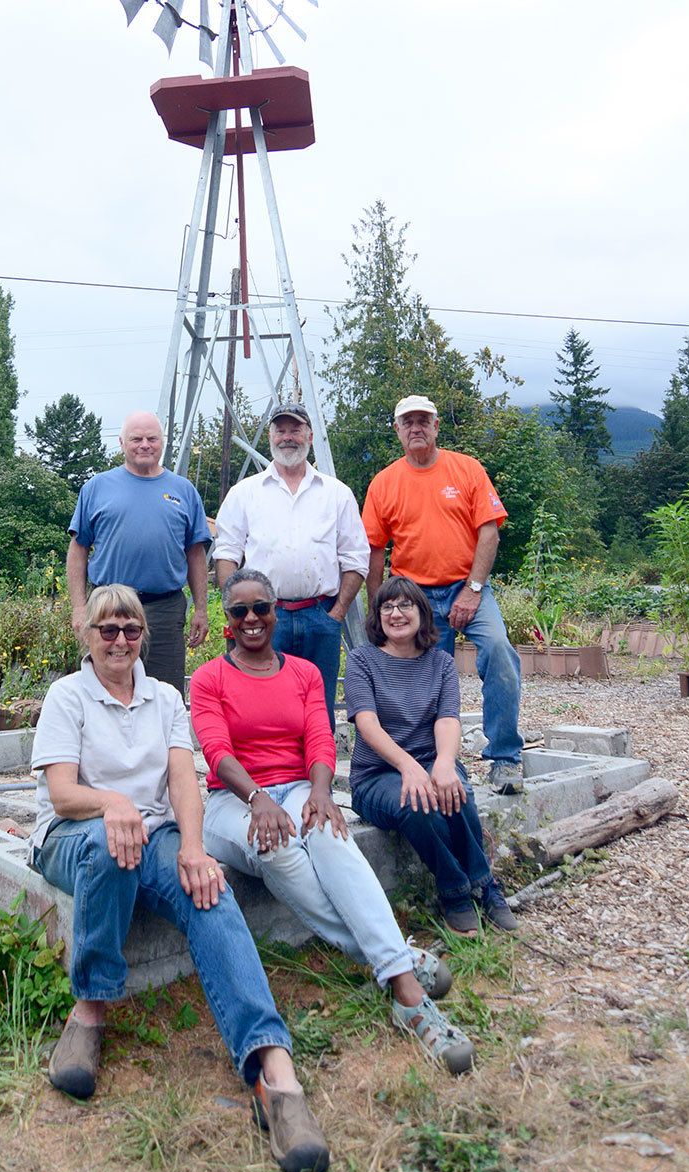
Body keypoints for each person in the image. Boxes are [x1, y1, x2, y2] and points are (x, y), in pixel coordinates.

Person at [31, 583, 331, 1172]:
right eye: (107, 630)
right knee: (108, 846)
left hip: (152, 836)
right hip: (73, 836)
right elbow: (63, 793)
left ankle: (275, 1074)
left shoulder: (166, 696)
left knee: (210, 890)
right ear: (87, 637)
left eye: (131, 629)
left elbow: (182, 781)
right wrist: (113, 803)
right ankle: (90, 1010)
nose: (120, 640)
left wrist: (194, 849)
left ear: (145, 636)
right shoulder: (68, 696)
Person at [191, 568, 475, 1074]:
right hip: (232, 801)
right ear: (228, 621)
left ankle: (399, 986)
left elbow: (320, 740)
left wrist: (320, 794)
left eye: (261, 608)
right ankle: (402, 973)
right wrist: (257, 797)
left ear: (276, 612)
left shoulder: (303, 673)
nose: (252, 618)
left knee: (329, 834)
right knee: (275, 844)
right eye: (240, 611)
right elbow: (216, 750)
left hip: (299, 786)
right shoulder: (211, 678)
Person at [363, 394, 526, 794]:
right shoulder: (385, 482)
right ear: (398, 430)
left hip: (465, 586)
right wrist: (377, 607)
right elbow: (374, 549)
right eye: (408, 422)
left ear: (437, 427)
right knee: (415, 674)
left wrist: (472, 590)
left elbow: (489, 530)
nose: (416, 428)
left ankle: (505, 758)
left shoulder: (466, 469)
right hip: (411, 594)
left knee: (500, 652)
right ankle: (422, 761)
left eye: (424, 421)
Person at [344, 577, 518, 936]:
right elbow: (367, 724)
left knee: (458, 793)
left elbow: (447, 719)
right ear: (377, 616)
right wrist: (408, 767)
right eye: (387, 607)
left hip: (429, 759)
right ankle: (454, 891)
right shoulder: (363, 660)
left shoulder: (439, 662)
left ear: (422, 614)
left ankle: (485, 887)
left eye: (405, 605)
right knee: (418, 804)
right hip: (377, 776)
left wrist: (442, 763)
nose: (396, 613)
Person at [213, 403, 368, 722]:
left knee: (317, 709)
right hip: (264, 617)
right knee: (261, 706)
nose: (287, 437)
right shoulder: (245, 493)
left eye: (295, 429)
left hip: (320, 616)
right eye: (280, 430)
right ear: (269, 436)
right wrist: (238, 612)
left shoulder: (336, 494)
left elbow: (356, 558)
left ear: (309, 436)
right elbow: (226, 555)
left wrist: (336, 615)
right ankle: (266, 771)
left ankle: (315, 772)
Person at [67, 411, 210, 692]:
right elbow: (78, 548)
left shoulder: (184, 490)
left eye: (152, 438)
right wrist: (79, 607)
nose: (145, 444)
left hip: (164, 609)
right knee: (102, 689)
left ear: (162, 443)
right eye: (136, 439)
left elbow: (196, 554)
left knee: (164, 692)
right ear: (122, 442)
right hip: (108, 609)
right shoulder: (96, 488)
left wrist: (202, 609)